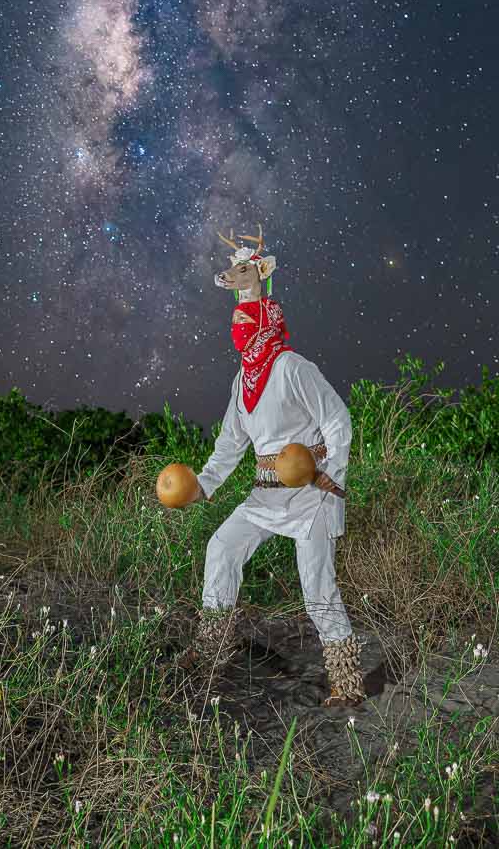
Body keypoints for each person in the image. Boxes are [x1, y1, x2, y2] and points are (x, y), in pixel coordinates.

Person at [172, 226, 365, 708]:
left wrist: (333, 476)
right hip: (264, 494)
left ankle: (346, 681)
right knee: (221, 548)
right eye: (235, 318)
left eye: (244, 318)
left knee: (317, 587)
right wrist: (203, 486)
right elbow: (229, 444)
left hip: (311, 492)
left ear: (262, 321)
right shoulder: (243, 381)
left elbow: (337, 420)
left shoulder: (293, 367)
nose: (237, 326)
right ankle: (211, 645)